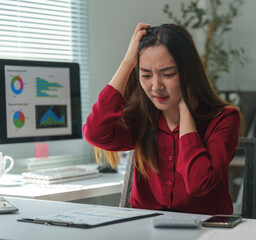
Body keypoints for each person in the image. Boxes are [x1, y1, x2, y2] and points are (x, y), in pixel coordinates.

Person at [83, 23, 243, 215]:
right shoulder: (142, 117)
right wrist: (127, 63)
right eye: (146, 75)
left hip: (205, 229)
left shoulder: (224, 118)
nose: (156, 86)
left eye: (168, 74)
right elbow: (95, 133)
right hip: (146, 227)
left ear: (189, 72)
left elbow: (198, 183)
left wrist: (185, 112)